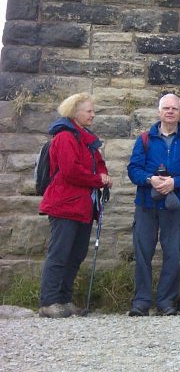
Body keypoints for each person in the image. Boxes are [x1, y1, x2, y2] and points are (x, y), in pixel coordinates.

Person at [127, 93, 180, 317]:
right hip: (146, 206)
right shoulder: (144, 140)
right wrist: (150, 179)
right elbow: (133, 169)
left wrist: (174, 183)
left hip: (174, 206)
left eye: (174, 109)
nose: (170, 112)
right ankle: (141, 302)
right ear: (159, 111)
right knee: (142, 254)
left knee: (172, 254)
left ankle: (166, 302)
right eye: (166, 108)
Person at [37, 93, 112, 318]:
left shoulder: (85, 138)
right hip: (65, 204)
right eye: (89, 111)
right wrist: (98, 179)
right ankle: (48, 301)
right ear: (75, 112)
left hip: (83, 207)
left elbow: (99, 164)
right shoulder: (65, 138)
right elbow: (71, 171)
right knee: (59, 254)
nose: (93, 114)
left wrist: (103, 174)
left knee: (76, 254)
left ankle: (64, 299)